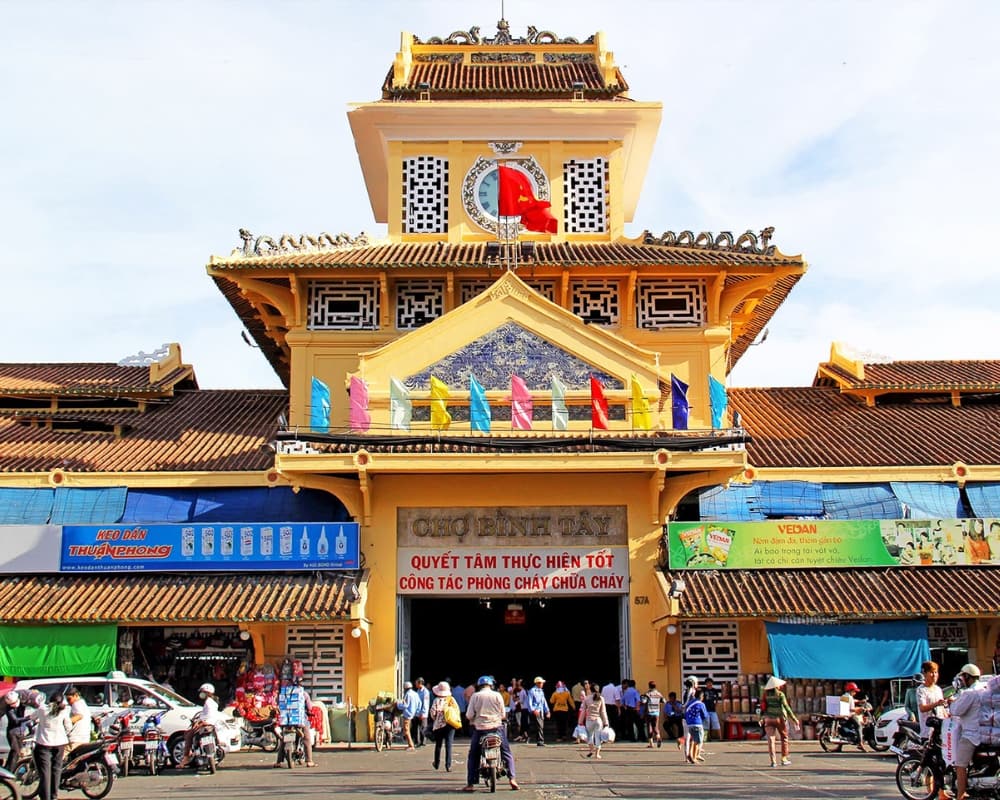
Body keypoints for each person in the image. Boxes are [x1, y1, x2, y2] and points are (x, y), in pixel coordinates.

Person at [947, 663, 1000, 800]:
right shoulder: (983, 689)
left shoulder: (969, 693)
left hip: (971, 735)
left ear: (967, 677)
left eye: (963, 677)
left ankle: (960, 795)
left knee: (960, 765)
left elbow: (956, 710)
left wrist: (951, 702)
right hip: (984, 733)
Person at [464, 675, 517, 792]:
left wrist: (475, 718)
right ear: (491, 685)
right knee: (507, 753)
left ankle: (471, 783)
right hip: (497, 728)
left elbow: (469, 715)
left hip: (480, 729)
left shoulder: (475, 696)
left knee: (473, 755)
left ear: (479, 685)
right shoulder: (497, 695)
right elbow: (503, 714)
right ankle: (512, 779)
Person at [32, 691, 71, 800]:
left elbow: (32, 717)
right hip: (59, 743)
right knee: (56, 770)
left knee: (45, 772)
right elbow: (68, 726)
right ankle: (54, 796)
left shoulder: (42, 709)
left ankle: (46, 797)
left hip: (44, 743)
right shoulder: (64, 710)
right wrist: (64, 733)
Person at [179, 682, 224, 767]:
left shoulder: (209, 703)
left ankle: (186, 757)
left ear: (207, 693)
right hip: (211, 724)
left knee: (188, 734)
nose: (201, 694)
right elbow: (205, 715)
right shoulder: (212, 702)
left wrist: (200, 722)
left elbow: (208, 716)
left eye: (202, 692)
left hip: (206, 723)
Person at [275, 677, 315, 767]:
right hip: (300, 721)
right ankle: (309, 761)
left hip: (286, 720)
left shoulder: (285, 693)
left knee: (283, 740)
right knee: (307, 738)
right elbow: (310, 707)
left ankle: (278, 762)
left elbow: (279, 704)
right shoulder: (303, 693)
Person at [759, 676, 799, 767]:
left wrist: (761, 718)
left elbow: (763, 708)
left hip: (768, 719)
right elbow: (787, 707)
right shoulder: (780, 694)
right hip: (779, 718)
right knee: (784, 737)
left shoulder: (765, 695)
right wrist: (794, 719)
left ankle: (773, 761)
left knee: (771, 740)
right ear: (777, 686)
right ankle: (784, 758)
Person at [429, 681, 458, 772]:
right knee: (448, 745)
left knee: (438, 745)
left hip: (439, 725)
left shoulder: (436, 700)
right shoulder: (451, 700)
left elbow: (432, 713)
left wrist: (437, 719)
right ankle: (448, 765)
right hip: (450, 724)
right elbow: (457, 710)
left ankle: (436, 763)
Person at [915, 660, 946, 738]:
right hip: (927, 732)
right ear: (925, 674)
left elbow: (942, 709)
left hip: (940, 730)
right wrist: (936, 704)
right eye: (931, 672)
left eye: (936, 672)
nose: (934, 675)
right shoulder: (921, 690)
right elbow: (922, 708)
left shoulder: (938, 689)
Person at [579, 682, 608, 759]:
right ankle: (597, 754)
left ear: (590, 690)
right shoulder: (601, 698)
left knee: (590, 737)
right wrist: (606, 722)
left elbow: (583, 711)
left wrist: (580, 721)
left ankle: (591, 750)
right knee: (598, 737)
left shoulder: (586, 698)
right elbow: (603, 712)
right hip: (598, 720)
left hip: (589, 720)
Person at [1, 690, 28, 771]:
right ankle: (10, 770)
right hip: (13, 733)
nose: (14, 705)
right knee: (15, 751)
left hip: (21, 732)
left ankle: (10, 768)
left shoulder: (22, 704)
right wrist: (28, 718)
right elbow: (15, 720)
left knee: (18, 753)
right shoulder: (9, 709)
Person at [683, 688, 709, 764]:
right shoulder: (701, 704)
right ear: (701, 696)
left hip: (689, 723)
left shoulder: (690, 702)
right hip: (697, 723)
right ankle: (694, 757)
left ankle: (690, 754)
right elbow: (705, 715)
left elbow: (685, 712)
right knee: (698, 742)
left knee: (693, 740)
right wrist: (701, 718)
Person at [839, 681, 867, 751]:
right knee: (859, 726)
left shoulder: (844, 696)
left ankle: (840, 747)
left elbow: (852, 701)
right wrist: (860, 709)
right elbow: (851, 709)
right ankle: (860, 743)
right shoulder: (849, 697)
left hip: (843, 715)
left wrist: (859, 701)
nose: (855, 693)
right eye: (854, 691)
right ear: (851, 690)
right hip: (849, 715)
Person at [66, 686, 92, 752]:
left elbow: (79, 716)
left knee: (61, 755)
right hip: (85, 738)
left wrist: (65, 722)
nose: (68, 702)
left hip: (76, 738)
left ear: (76, 695)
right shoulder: (83, 704)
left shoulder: (76, 704)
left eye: (69, 699)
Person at [526, 677, 550, 746]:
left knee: (540, 725)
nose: (542, 684)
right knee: (540, 725)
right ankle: (540, 741)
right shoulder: (532, 691)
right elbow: (529, 702)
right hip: (536, 710)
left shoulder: (541, 691)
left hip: (541, 710)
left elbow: (544, 701)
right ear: (538, 683)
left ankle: (538, 740)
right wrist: (533, 710)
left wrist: (547, 711)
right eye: (541, 683)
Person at [398, 681, 421, 750]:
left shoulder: (407, 694)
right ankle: (411, 744)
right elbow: (419, 703)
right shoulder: (415, 694)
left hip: (407, 714)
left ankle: (411, 745)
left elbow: (405, 705)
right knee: (410, 729)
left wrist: (398, 705)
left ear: (405, 688)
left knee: (406, 730)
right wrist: (417, 712)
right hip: (413, 714)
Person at [642, 681, 664, 748]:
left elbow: (643, 701)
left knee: (649, 727)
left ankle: (651, 744)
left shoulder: (647, 694)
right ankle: (658, 737)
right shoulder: (659, 694)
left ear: (649, 686)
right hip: (656, 712)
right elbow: (663, 701)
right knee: (655, 727)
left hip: (649, 712)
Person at [414, 677, 431, 748]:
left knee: (423, 728)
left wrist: (423, 713)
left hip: (422, 713)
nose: (415, 684)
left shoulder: (425, 692)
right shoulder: (418, 691)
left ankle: (423, 742)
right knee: (416, 728)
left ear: (420, 683)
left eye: (416, 683)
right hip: (417, 713)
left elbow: (425, 704)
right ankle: (417, 742)